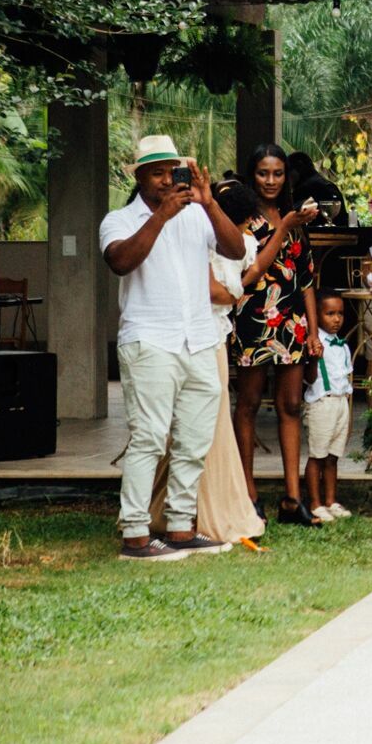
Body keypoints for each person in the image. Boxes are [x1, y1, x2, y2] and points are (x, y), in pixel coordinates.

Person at [100, 135, 246, 561]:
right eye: (158, 172)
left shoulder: (197, 215)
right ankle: (135, 535)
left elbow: (235, 249)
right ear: (141, 177)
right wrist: (161, 217)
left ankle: (181, 527)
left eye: (173, 171)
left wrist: (209, 203)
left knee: (193, 439)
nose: (167, 180)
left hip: (198, 339)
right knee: (148, 438)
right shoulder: (119, 219)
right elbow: (121, 262)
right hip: (150, 340)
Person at [145, 178, 268, 550]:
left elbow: (244, 279)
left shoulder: (235, 244)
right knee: (201, 426)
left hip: (214, 335)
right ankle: (195, 513)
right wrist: (232, 295)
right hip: (199, 336)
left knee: (209, 426)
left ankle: (185, 511)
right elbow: (220, 291)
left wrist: (232, 294)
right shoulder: (198, 242)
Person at [231, 143, 326, 528]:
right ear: (251, 175)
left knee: (290, 407)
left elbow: (306, 281)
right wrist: (284, 227)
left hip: (291, 324)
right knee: (249, 405)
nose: (271, 181)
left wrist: (314, 334)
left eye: (278, 173)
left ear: (287, 176)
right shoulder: (241, 219)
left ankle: (292, 498)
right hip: (253, 320)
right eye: (263, 173)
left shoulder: (294, 218)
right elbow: (248, 271)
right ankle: (248, 496)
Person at [303, 292, 356, 523]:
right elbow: (309, 378)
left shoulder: (343, 346)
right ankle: (315, 503)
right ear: (317, 316)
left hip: (340, 402)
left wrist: (348, 412)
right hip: (321, 403)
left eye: (340, 314)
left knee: (333, 456)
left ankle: (331, 500)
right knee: (317, 455)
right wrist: (315, 358)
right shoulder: (315, 344)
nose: (336, 319)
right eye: (330, 314)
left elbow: (347, 381)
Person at [285, 151, 349, 227]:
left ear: (299, 169)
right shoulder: (329, 185)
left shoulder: (304, 188)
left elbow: (287, 217)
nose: (286, 179)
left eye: (288, 172)